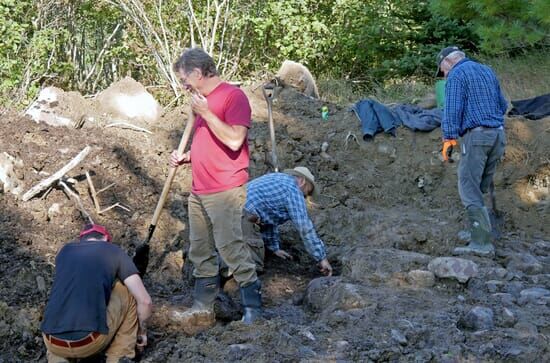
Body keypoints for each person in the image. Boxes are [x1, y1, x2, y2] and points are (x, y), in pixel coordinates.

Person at [169, 47, 261, 326]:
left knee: (231, 247)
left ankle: (253, 312)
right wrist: (187, 156)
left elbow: (234, 140)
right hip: (199, 188)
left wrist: (207, 114)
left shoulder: (234, 97)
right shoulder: (201, 101)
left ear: (198, 73)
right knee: (200, 249)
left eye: (184, 78)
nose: (183, 84)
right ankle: (202, 308)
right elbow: (210, 142)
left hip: (225, 189)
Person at [41, 224, 153, 363]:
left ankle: (58, 360)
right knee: (128, 293)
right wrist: (141, 333)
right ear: (106, 239)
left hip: (52, 342)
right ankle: (119, 356)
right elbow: (145, 301)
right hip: (88, 341)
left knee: (64, 299)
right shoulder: (113, 251)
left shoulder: (64, 251)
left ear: (81, 240)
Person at [436, 46, 507, 256]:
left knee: (468, 185)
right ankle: (480, 232)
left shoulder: (456, 74)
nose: (444, 75)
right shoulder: (487, 70)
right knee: (480, 185)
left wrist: (449, 138)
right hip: (498, 135)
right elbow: (502, 105)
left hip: (476, 137)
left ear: (447, 62)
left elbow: (452, 109)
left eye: (442, 71)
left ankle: (482, 244)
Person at [243, 166, 333, 276]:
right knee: (251, 267)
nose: (305, 197)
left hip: (228, 208)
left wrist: (274, 248)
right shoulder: (293, 189)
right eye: (307, 192)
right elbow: (304, 227)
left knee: (228, 251)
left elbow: (269, 219)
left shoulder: (277, 179)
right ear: (302, 181)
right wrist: (321, 258)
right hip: (243, 214)